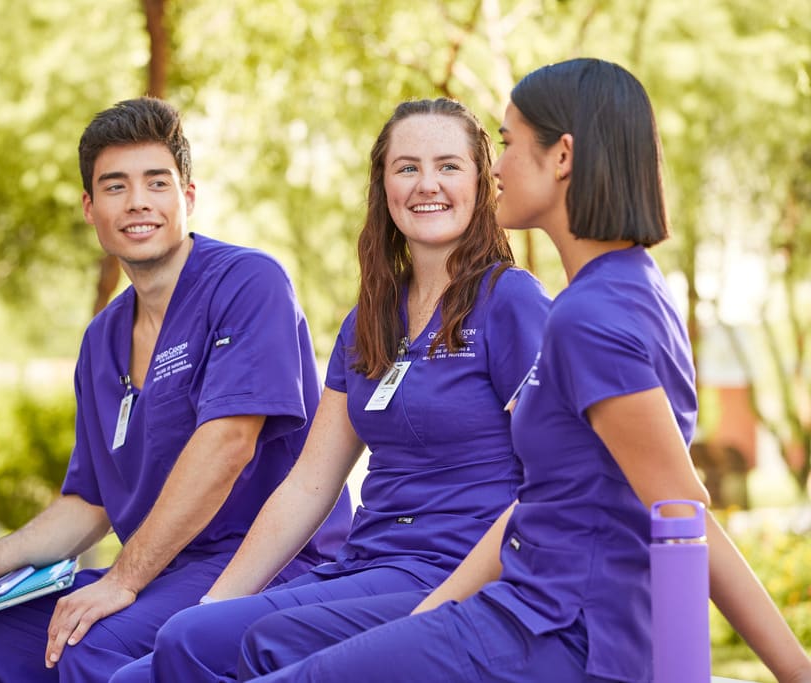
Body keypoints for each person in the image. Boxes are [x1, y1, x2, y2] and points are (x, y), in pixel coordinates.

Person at [232, 58, 811, 683]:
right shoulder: (620, 290)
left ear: (562, 156)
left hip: (562, 631)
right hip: (516, 610)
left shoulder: (587, 316)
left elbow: (681, 513)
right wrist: (428, 618)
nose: (496, 168)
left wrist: (794, 671)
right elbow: (544, 500)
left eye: (506, 144)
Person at [108, 97, 551, 683]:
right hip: (363, 566)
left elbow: (555, 478)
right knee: (141, 670)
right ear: (384, 186)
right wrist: (219, 603)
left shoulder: (511, 302)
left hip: (452, 576)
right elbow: (310, 485)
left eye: (448, 166)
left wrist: (204, 624)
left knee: (193, 643)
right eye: (407, 167)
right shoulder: (367, 320)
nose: (427, 185)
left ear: (480, 181)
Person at [0, 97, 352, 683]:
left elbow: (228, 445)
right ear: (90, 210)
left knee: (91, 644)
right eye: (115, 187)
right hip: (163, 570)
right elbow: (88, 503)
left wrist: (122, 580)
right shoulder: (101, 340)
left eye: (156, 182)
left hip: (268, 563)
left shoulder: (249, 283)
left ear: (188, 197)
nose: (138, 201)